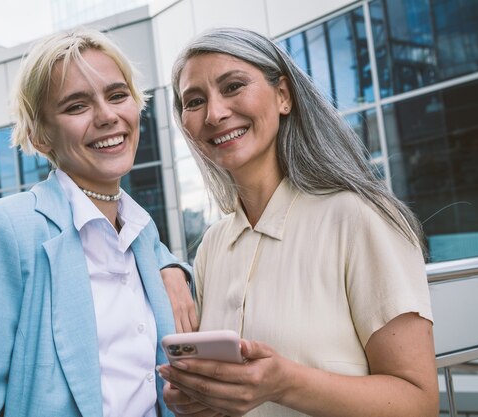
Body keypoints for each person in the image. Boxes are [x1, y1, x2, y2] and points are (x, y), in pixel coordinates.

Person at [158, 27, 439, 417]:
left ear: (283, 96)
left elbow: (419, 403)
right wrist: (200, 400)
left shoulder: (360, 219)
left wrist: (285, 383)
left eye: (233, 86)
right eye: (194, 101)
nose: (215, 113)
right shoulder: (213, 246)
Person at [0, 28, 196, 417]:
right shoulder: (6, 229)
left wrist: (173, 268)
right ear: (39, 136)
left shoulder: (142, 232)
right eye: (76, 106)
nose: (107, 116)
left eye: (118, 95)